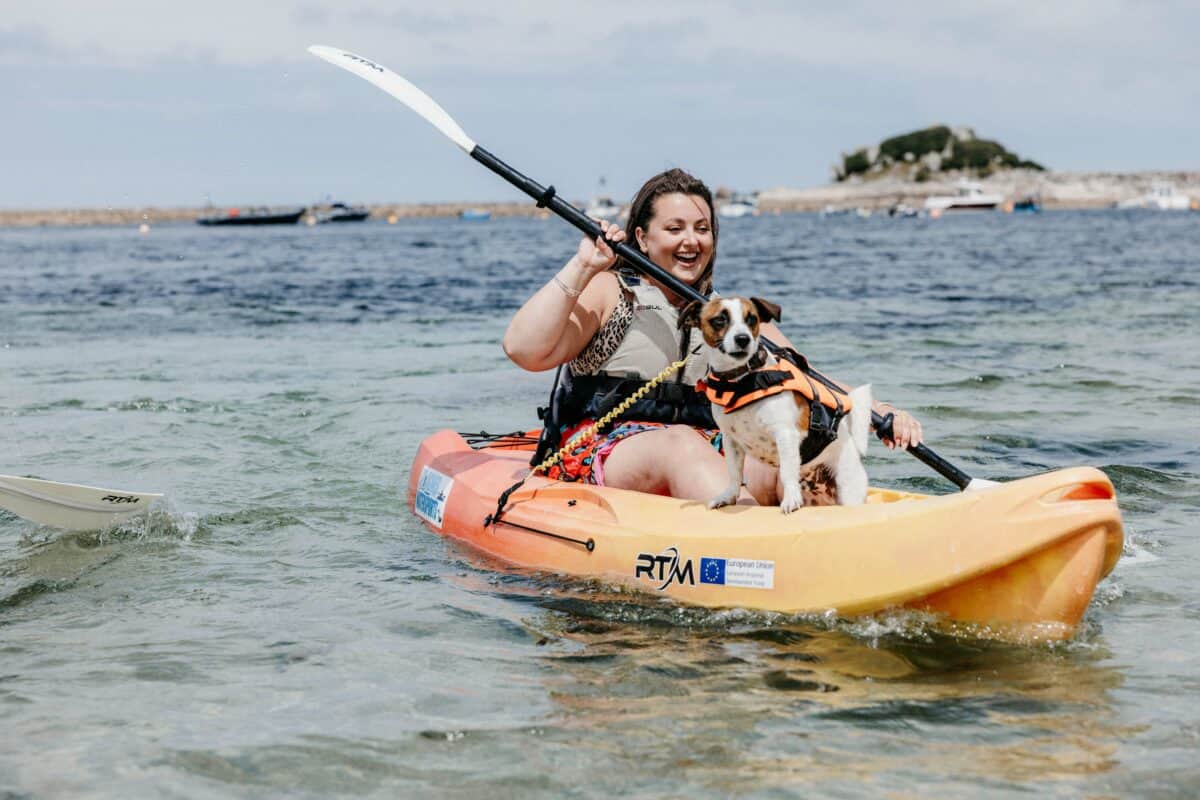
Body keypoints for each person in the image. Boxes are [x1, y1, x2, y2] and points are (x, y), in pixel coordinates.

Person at [502, 168, 923, 505]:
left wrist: (881, 412)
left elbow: (806, 380)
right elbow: (524, 351)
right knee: (680, 444)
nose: (691, 240)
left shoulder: (729, 316)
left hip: (709, 444)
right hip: (608, 447)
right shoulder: (609, 292)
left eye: (702, 228)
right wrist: (583, 266)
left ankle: (839, 543)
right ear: (643, 239)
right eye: (675, 228)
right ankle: (751, 544)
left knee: (797, 457)